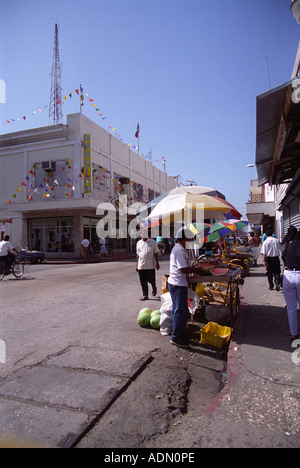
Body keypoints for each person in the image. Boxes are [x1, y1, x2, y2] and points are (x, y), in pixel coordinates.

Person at [168, 227, 203, 348]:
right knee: (180, 312)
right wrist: (194, 269)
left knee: (178, 311)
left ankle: (179, 334)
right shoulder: (180, 250)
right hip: (178, 284)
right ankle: (176, 338)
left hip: (176, 283)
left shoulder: (179, 248)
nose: (190, 241)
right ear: (184, 238)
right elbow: (182, 269)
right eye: (189, 238)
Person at [282, 226, 300, 342]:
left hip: (288, 275)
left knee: (291, 308)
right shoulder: (298, 244)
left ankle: (294, 334)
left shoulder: (286, 245)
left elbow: (283, 259)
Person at [136, 231, 160, 301]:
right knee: (143, 281)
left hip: (150, 266)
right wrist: (137, 265)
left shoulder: (152, 242)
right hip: (141, 265)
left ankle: (154, 288)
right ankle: (145, 295)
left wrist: (157, 263)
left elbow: (155, 253)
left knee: (152, 280)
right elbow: (138, 255)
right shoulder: (138, 243)